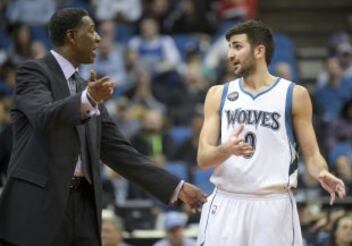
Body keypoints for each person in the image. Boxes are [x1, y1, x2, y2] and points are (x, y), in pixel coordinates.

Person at [0, 8, 206, 246]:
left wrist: (177, 188)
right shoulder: (34, 72)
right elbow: (43, 116)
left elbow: (121, 153)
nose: (99, 38)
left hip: (84, 205)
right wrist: (87, 99)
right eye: (92, 31)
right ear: (71, 36)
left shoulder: (85, 88)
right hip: (39, 206)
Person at [196, 20, 346, 246]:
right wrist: (224, 150)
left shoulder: (294, 94)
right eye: (229, 47)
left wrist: (322, 172)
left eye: (237, 47)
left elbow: (312, 154)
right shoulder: (218, 94)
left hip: (273, 204)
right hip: (226, 201)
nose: (229, 54)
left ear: (259, 50)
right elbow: (203, 159)